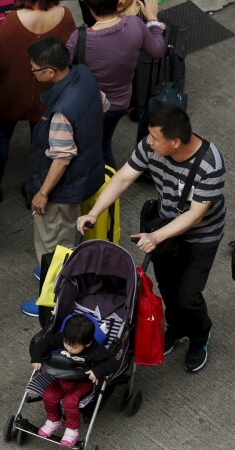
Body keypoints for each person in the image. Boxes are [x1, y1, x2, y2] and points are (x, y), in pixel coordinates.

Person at [76, 106, 226, 373]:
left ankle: (200, 336)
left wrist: (155, 236)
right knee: (168, 287)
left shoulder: (209, 164)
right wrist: (95, 212)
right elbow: (123, 178)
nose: (148, 142)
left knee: (188, 295)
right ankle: (178, 328)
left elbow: (195, 215)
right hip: (165, 223)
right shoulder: (151, 147)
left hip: (200, 237)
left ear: (175, 142)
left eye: (155, 138)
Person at [0, 0, 77, 204]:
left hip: (12, 91)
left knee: (2, 138)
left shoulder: (13, 20)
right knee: (41, 146)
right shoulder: (65, 16)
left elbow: (0, 58)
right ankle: (34, 190)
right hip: (48, 94)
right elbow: (67, 56)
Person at [67, 0, 164, 168]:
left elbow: (61, 68)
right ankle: (109, 188)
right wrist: (153, 19)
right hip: (120, 103)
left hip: (89, 105)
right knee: (104, 143)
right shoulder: (136, 25)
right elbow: (158, 50)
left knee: (85, 143)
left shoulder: (80, 37)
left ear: (90, 7)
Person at [26, 37, 104, 277]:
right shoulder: (84, 75)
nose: (33, 74)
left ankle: (53, 299)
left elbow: (61, 158)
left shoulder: (62, 111)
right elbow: (104, 103)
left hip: (61, 190)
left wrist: (43, 193)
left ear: (49, 72)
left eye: (34, 70)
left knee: (55, 247)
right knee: (68, 231)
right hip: (83, 176)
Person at [29, 315, 117, 447]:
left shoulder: (94, 350)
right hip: (61, 378)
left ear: (87, 343)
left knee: (69, 402)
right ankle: (54, 421)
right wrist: (36, 357)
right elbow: (44, 343)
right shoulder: (64, 339)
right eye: (66, 344)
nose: (69, 348)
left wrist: (97, 371)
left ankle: (72, 430)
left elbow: (111, 363)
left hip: (81, 383)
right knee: (48, 395)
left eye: (74, 348)